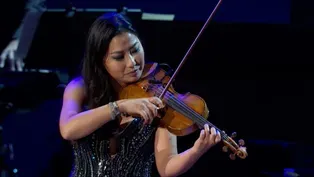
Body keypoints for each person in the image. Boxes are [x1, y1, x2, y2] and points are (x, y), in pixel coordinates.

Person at [59, 12, 221, 177]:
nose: (132, 62)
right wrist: (119, 106)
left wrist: (196, 150)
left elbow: (166, 167)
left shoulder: (159, 91)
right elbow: (68, 129)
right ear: (101, 61)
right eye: (119, 57)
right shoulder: (80, 88)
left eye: (135, 50)